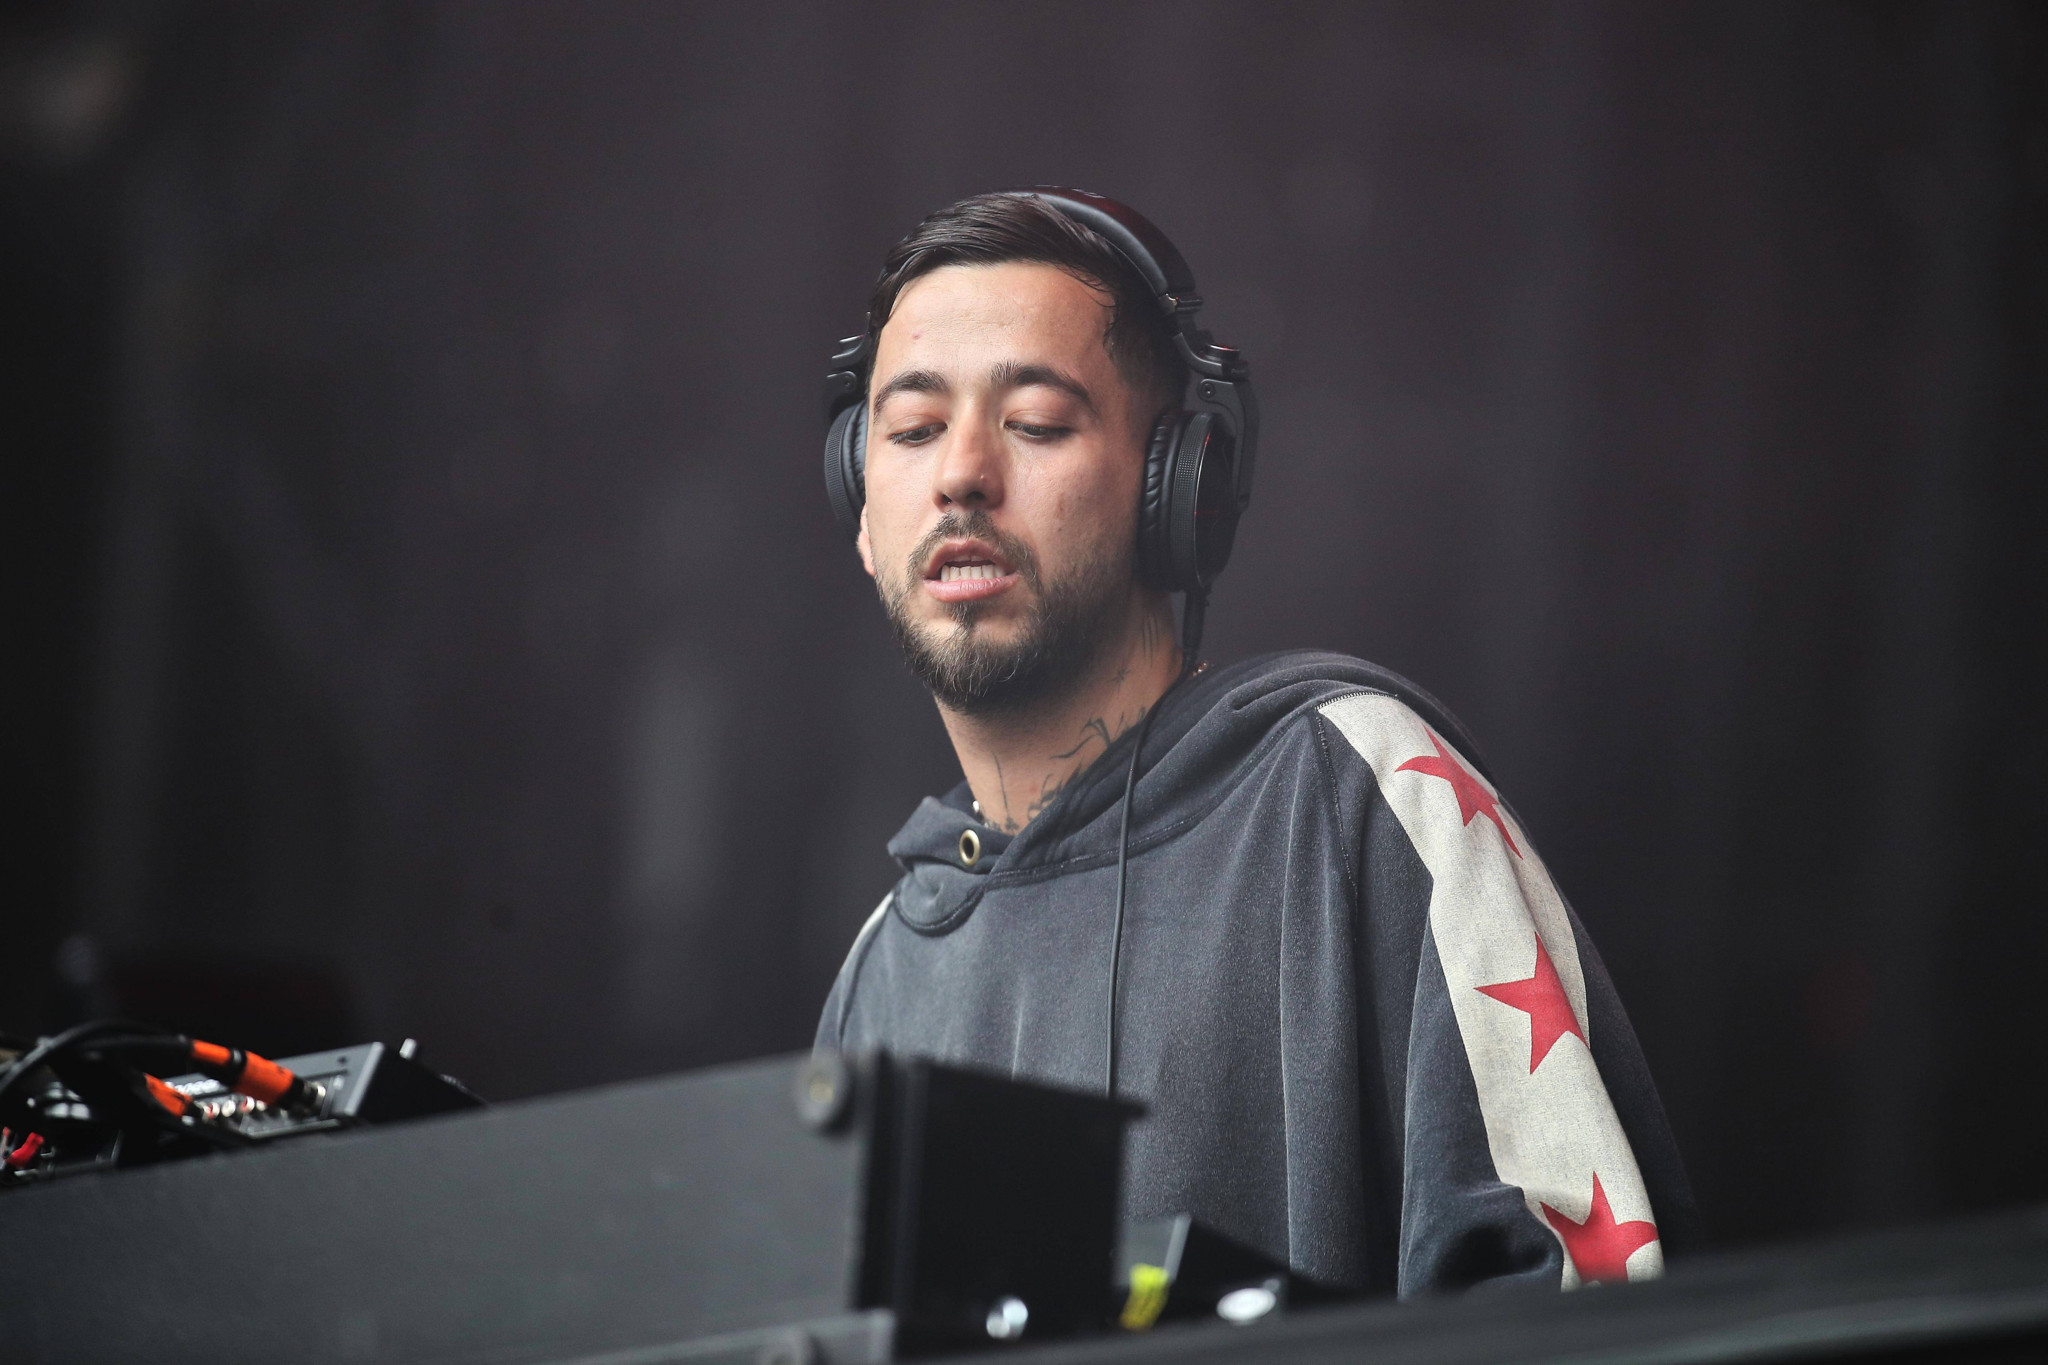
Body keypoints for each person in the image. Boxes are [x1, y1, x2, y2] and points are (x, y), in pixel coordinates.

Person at [814, 188, 1698, 1298]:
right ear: (859, 510)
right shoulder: (880, 969)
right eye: (910, 430)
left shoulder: (1356, 796)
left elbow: (1585, 1306)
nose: (961, 474)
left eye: (1035, 422)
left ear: (1173, 486)